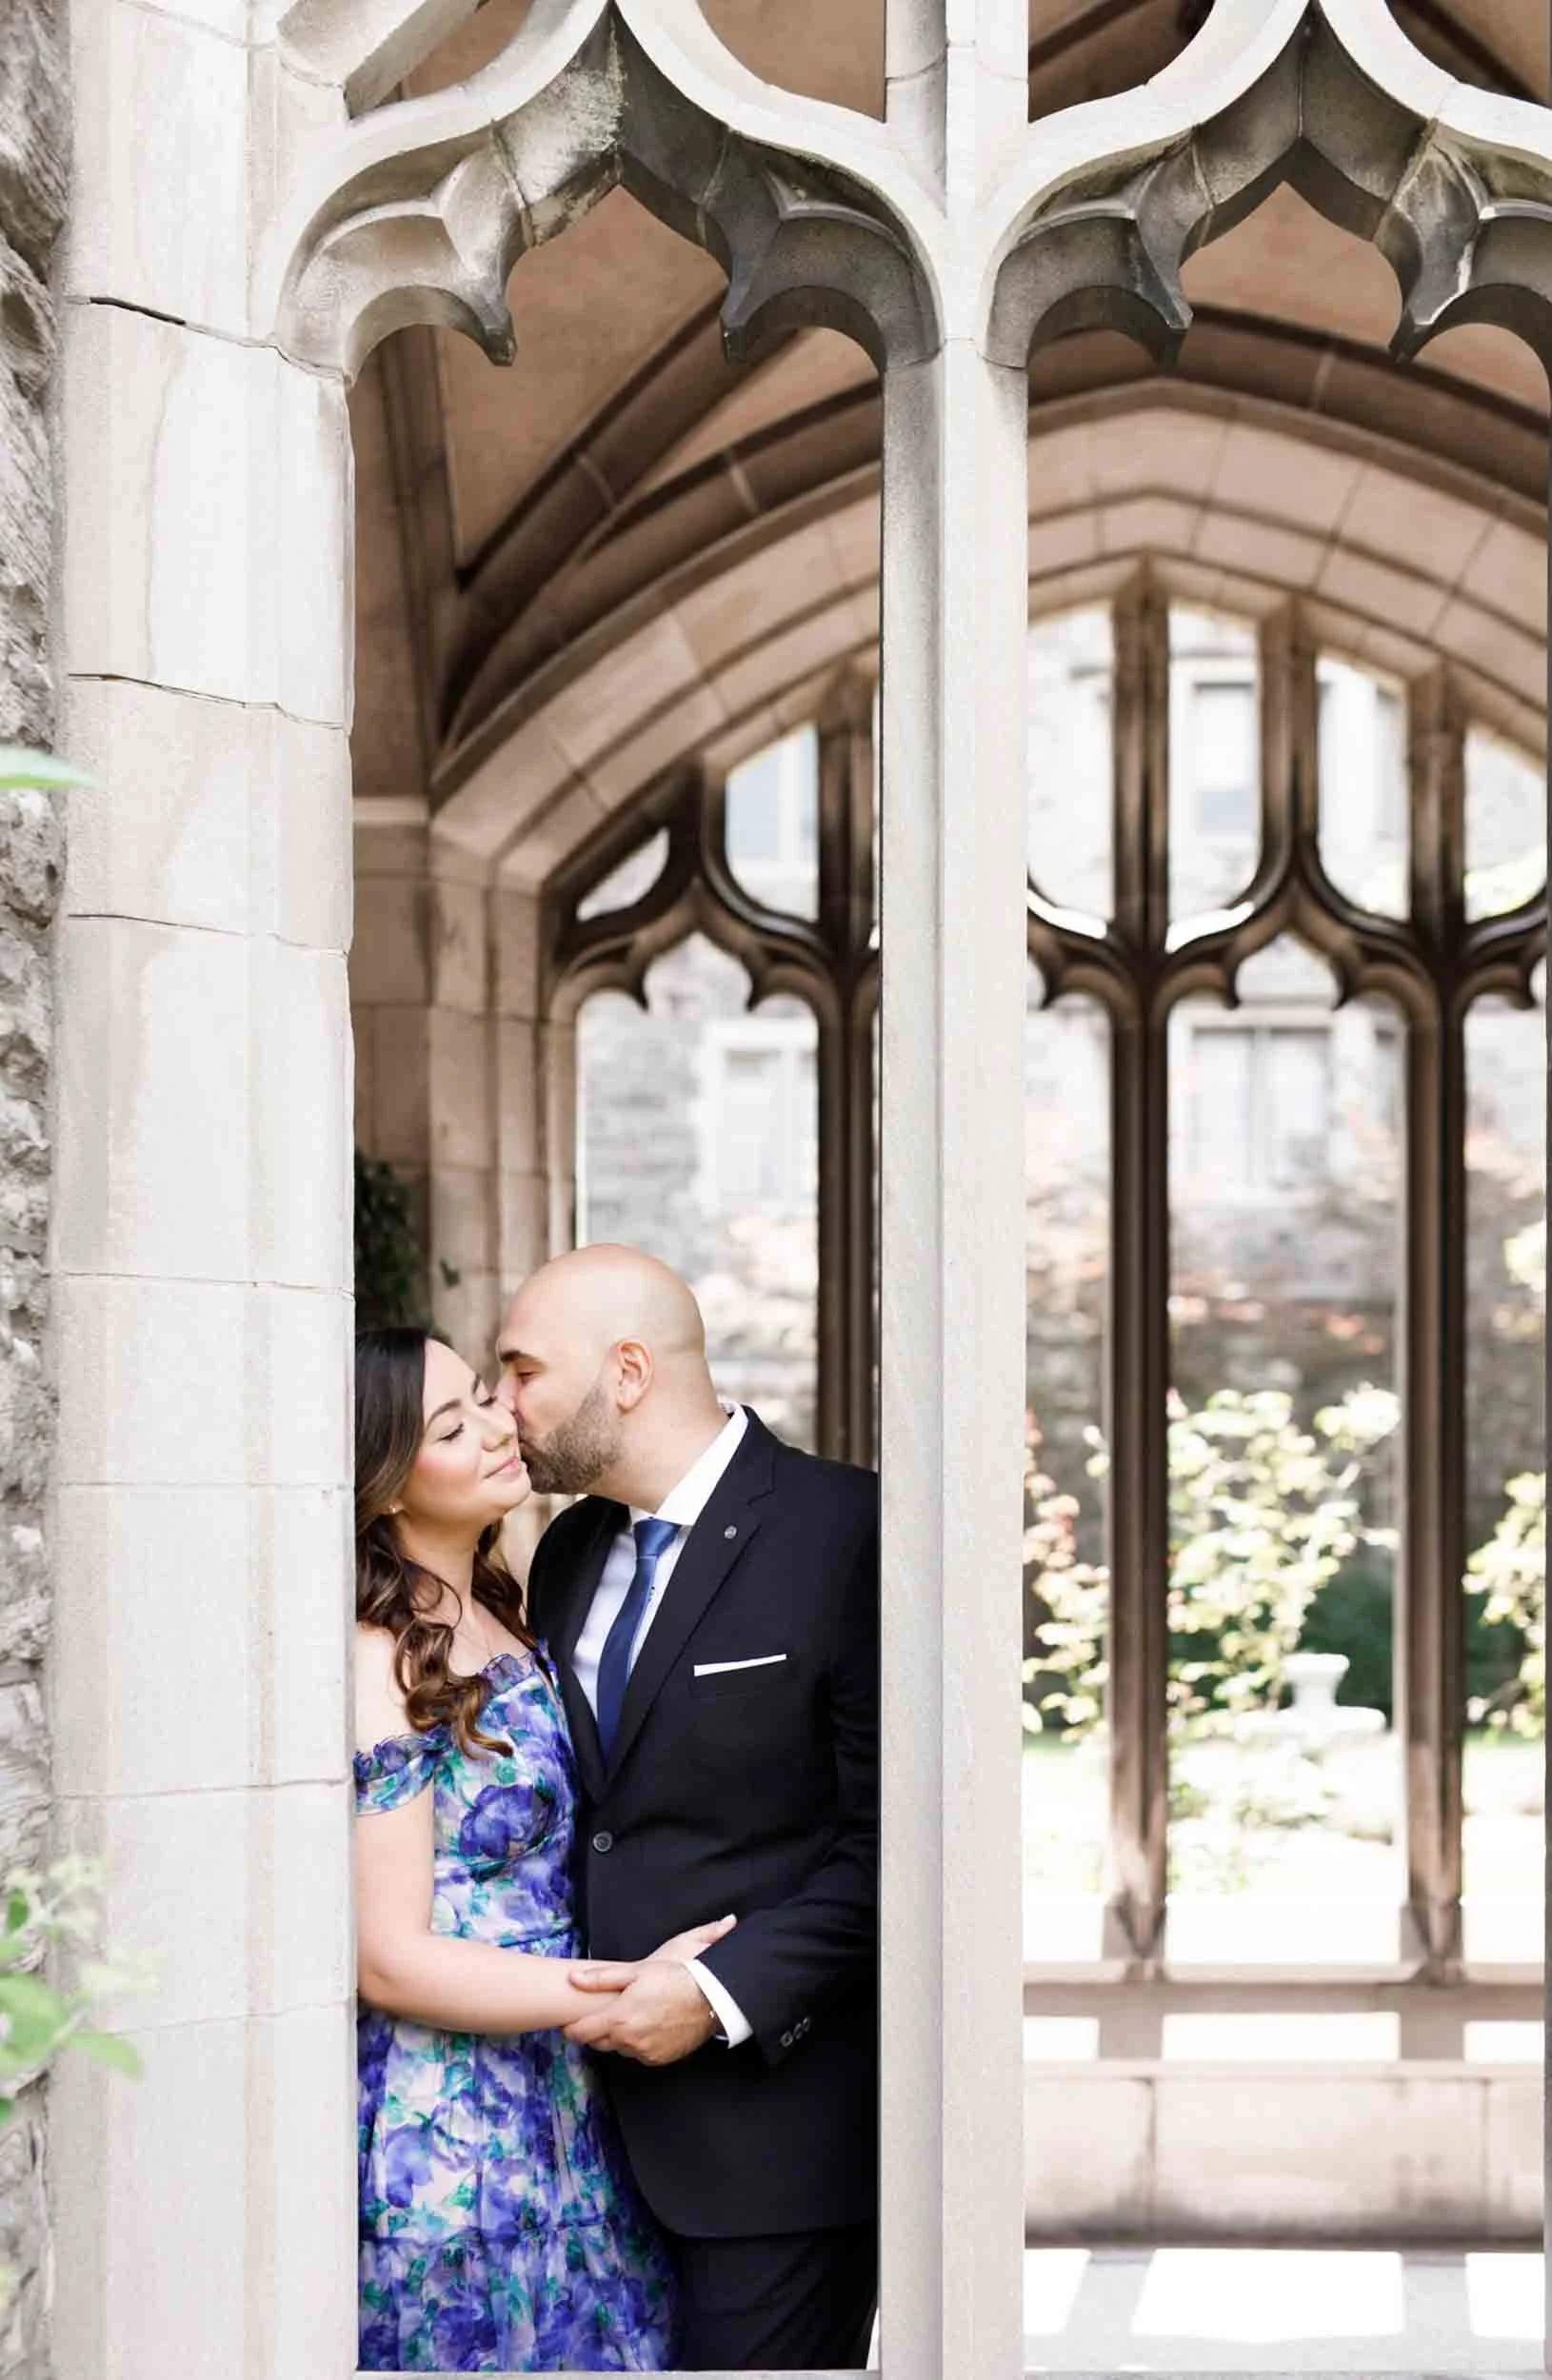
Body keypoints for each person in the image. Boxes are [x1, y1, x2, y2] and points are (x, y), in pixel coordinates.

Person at [497, 1245, 880, 2372]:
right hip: (571, 2142)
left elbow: (900, 1843)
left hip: (771, 2147)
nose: (503, 1403)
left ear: (625, 1372)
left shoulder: (847, 1531)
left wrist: (717, 1995)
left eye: (522, 1370)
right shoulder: (565, 1551)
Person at [352, 1323, 733, 2373]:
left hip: (562, 2095)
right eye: (447, 1423)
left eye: (484, 1394)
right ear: (384, 1483)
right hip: (452, 2123)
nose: (493, 1426)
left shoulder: (503, 1605)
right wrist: (622, 1990)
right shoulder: (376, 1652)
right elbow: (388, 1955)